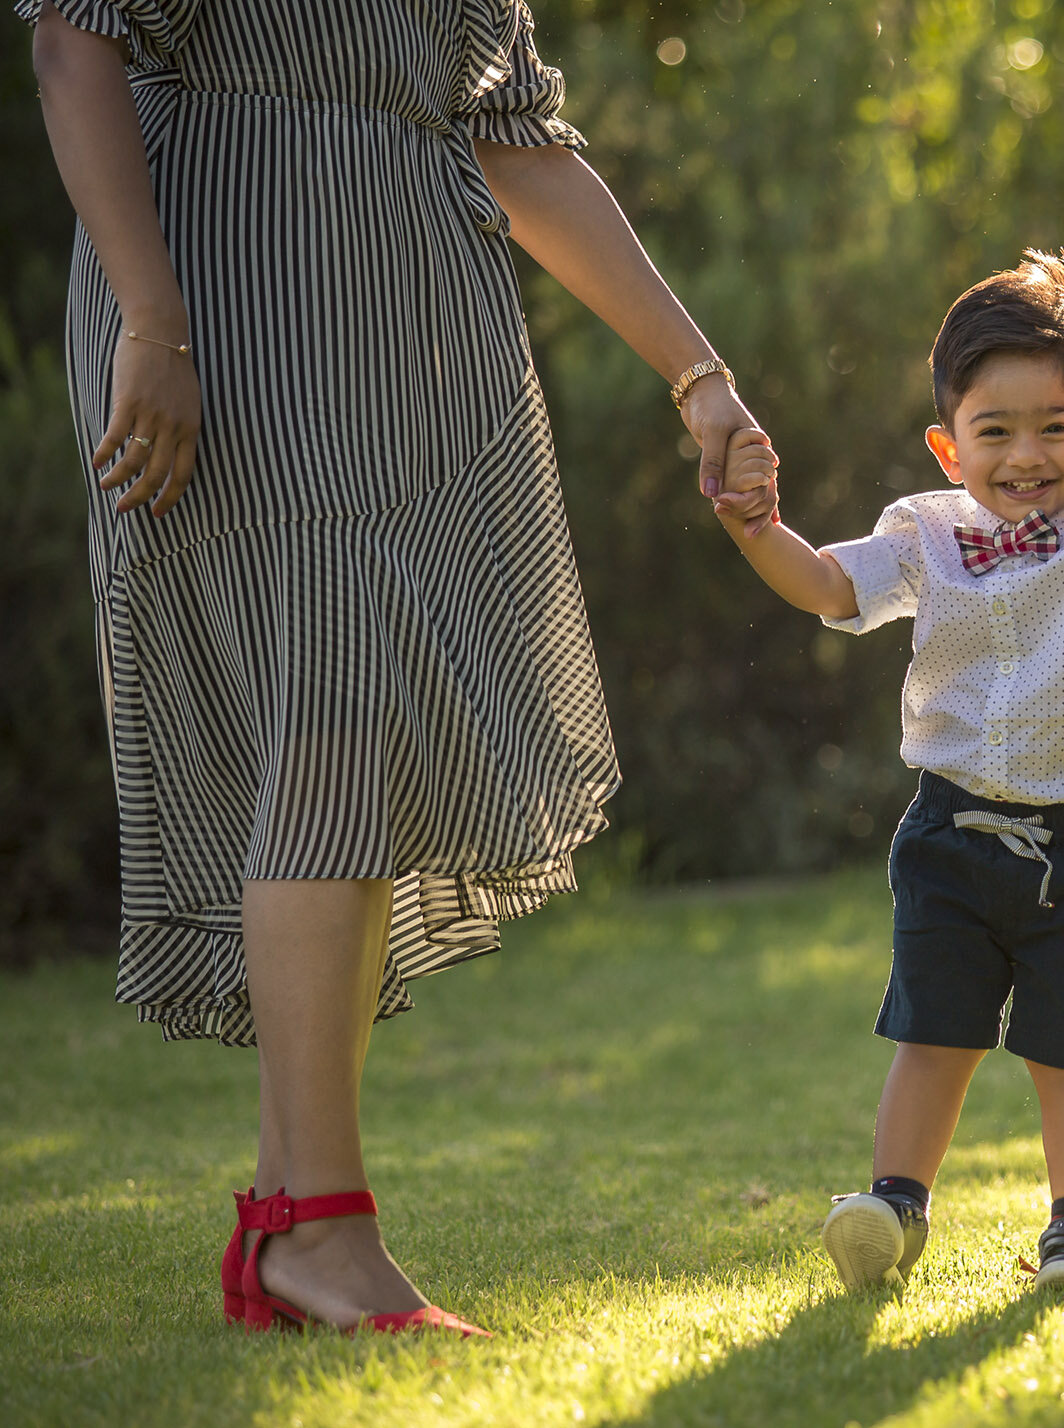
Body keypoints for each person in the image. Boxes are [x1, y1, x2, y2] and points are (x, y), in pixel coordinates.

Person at [24, 0, 766, 1334]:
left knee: (346, 734)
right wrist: (151, 315)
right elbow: (72, 44)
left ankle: (282, 1221)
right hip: (231, 311)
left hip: (400, 342)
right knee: (321, 712)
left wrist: (697, 376)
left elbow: (521, 149)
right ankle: (322, 1226)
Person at [709, 249, 1064, 1289]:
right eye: (994, 431)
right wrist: (762, 532)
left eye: (1054, 427)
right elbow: (829, 586)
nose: (1026, 455)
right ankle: (893, 1206)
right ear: (948, 444)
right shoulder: (924, 533)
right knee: (933, 1035)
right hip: (951, 834)